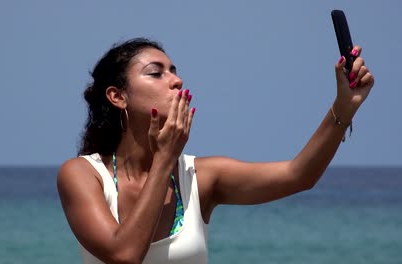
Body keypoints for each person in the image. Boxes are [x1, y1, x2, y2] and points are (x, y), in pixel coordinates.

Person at [57, 37, 374, 264]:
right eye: (157, 73)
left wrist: (344, 108)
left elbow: (298, 175)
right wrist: (164, 158)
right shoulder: (83, 174)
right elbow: (124, 255)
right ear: (118, 96)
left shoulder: (200, 176)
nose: (177, 80)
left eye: (174, 71)